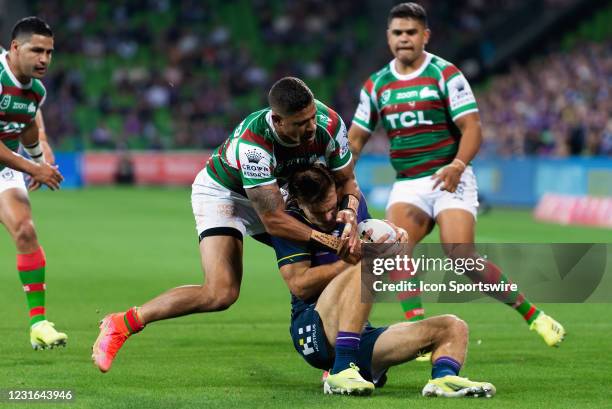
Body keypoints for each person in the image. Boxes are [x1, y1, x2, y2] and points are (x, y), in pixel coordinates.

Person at [92, 77, 362, 372]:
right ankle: (122, 323)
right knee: (221, 293)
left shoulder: (329, 123)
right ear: (277, 120)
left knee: (333, 249)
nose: (310, 128)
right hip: (226, 196)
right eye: (300, 123)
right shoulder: (254, 145)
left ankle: (335, 350)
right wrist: (328, 241)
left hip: (274, 192)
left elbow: (346, 179)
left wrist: (349, 212)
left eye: (311, 118)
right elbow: (274, 221)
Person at [348, 3, 564, 346]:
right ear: (388, 37)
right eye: (397, 32)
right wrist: (341, 175)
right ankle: (419, 335)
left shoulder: (445, 74)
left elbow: (472, 128)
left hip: (451, 176)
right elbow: (356, 138)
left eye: (411, 32)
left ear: (425, 36)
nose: (404, 39)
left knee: (461, 255)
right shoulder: (376, 85)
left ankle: (532, 315)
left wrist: (457, 165)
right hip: (409, 182)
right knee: (393, 250)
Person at [271, 164, 495, 397]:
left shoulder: (353, 206)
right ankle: (341, 369)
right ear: (299, 204)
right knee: (367, 260)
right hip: (314, 327)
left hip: (357, 334)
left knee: (453, 327)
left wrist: (393, 237)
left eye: (332, 207)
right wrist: (352, 261)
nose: (329, 217)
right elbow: (300, 284)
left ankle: (444, 379)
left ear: (337, 191)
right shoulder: (290, 223)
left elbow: (372, 238)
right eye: (318, 213)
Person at [0, 17, 66, 349]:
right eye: (36, 50)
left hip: (3, 168)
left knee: (25, 230)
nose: (44, 59)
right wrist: (32, 167)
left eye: (49, 52)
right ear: (15, 48)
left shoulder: (36, 90)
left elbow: (25, 123)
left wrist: (39, 159)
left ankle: (38, 323)